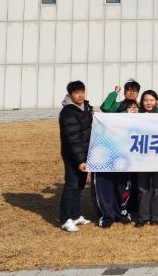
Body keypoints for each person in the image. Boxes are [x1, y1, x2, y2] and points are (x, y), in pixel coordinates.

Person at [95, 87, 137, 228]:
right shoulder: (117, 106)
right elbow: (105, 108)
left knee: (123, 186)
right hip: (111, 152)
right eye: (129, 90)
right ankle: (108, 214)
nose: (132, 93)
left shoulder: (140, 109)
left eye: (135, 91)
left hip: (128, 156)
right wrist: (114, 93)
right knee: (107, 185)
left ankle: (122, 212)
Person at [59, 80, 93, 232]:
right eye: (76, 93)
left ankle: (76, 215)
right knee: (71, 186)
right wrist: (80, 160)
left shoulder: (86, 108)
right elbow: (72, 138)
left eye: (82, 92)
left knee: (79, 186)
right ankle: (65, 219)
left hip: (84, 154)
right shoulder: (68, 112)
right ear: (70, 94)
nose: (80, 95)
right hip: (73, 155)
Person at [134, 90, 158, 227]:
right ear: (142, 102)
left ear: (156, 102)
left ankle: (155, 216)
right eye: (146, 100)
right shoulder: (137, 115)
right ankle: (143, 216)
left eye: (152, 100)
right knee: (143, 188)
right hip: (142, 157)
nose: (149, 103)